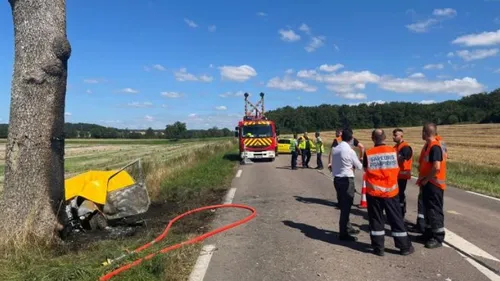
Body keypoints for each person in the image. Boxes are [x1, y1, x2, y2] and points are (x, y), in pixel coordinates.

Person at [363, 129, 415, 256]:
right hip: (391, 192)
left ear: (372, 138)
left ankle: (378, 248)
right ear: (385, 138)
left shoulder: (368, 153)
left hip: (374, 193)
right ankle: (404, 247)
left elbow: (365, 169)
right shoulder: (393, 152)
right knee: (396, 219)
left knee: (376, 220)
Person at [416, 123, 447, 249]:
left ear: (425, 133)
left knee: (434, 211)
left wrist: (426, 179)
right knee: (428, 210)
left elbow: (436, 167)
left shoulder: (435, 147)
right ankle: (429, 233)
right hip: (428, 183)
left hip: (434, 184)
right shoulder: (429, 146)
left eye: (422, 132)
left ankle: (438, 237)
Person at [330, 128, 362, 241]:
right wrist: (361, 159)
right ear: (351, 138)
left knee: (343, 205)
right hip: (347, 180)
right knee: (346, 208)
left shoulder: (335, 149)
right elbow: (359, 166)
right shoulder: (350, 151)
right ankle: (343, 234)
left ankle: (347, 227)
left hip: (337, 179)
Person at [328, 127, 365, 208]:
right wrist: (361, 158)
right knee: (349, 183)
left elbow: (331, 152)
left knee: (340, 187)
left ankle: (341, 203)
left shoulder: (337, 141)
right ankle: (347, 202)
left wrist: (330, 163)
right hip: (350, 163)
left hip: (339, 166)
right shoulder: (353, 141)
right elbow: (362, 147)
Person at [392, 128, 413, 219]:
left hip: (402, 175)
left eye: (395, 135)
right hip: (396, 175)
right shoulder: (395, 147)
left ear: (401, 136)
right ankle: (397, 213)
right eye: (393, 135)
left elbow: (401, 158)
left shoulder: (405, 147)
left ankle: (400, 214)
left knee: (400, 195)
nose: (393, 137)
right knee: (396, 195)